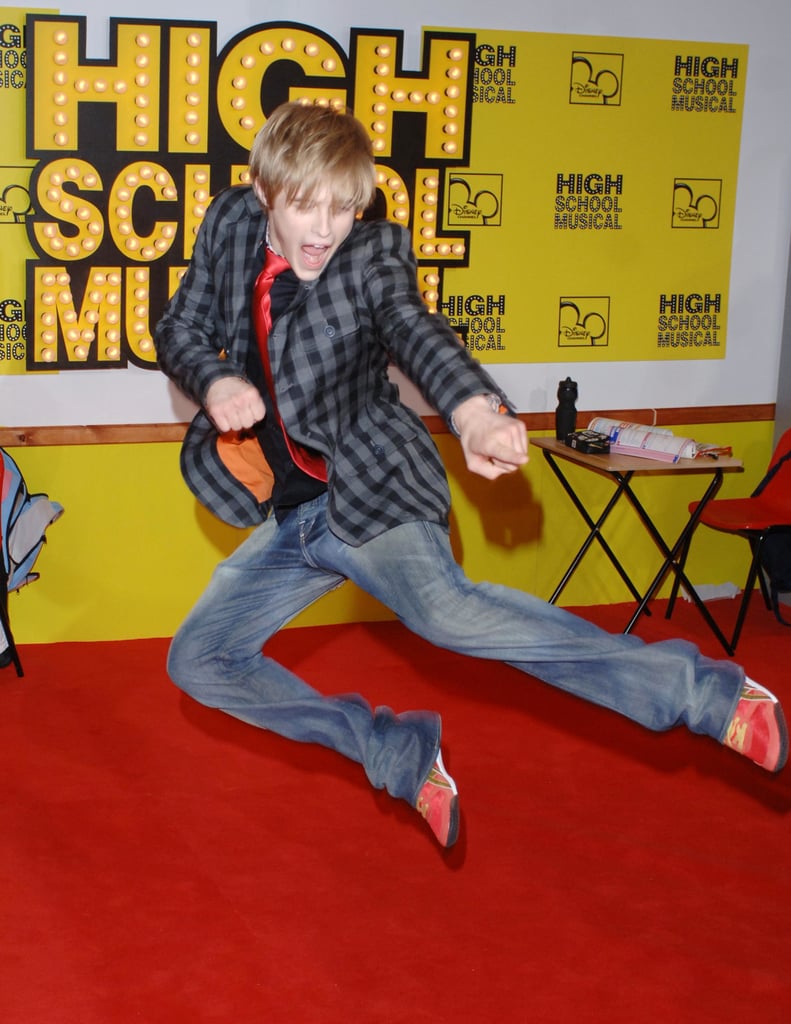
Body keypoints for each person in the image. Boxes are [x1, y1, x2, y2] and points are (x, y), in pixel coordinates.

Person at [154, 101, 787, 849]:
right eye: (305, 206)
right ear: (265, 193)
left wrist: (473, 412)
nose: (325, 228)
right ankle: (394, 750)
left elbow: (415, 330)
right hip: (294, 514)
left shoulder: (372, 255)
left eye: (343, 208)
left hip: (371, 485)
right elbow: (179, 325)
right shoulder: (229, 224)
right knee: (199, 658)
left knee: (447, 614)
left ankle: (708, 696)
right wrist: (216, 381)